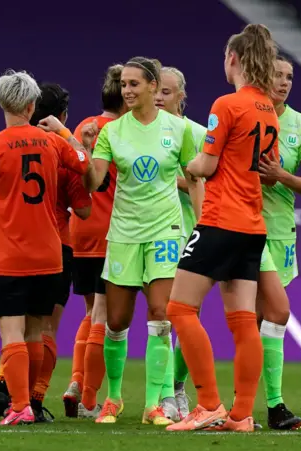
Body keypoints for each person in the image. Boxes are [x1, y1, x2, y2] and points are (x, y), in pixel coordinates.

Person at [166, 23, 279, 433]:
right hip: (252, 225)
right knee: (244, 321)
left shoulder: (226, 104)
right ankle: (242, 415)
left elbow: (208, 165)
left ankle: (209, 404)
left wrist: (193, 165)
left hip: (220, 220)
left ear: (234, 59)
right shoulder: (268, 108)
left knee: (179, 308)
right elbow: (266, 170)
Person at [0, 70, 95, 425]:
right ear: (31, 105)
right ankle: (32, 402)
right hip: (51, 253)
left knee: (12, 332)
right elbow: (84, 164)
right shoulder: (54, 144)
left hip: (11, 255)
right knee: (38, 331)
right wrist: (70, 136)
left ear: (3, 103)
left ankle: (21, 406)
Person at [82, 57, 203, 425]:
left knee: (161, 314)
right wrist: (85, 154)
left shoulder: (177, 129)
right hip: (124, 233)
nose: (128, 91)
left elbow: (194, 177)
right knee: (116, 321)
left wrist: (203, 224)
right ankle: (114, 398)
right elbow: (94, 182)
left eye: (135, 84)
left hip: (165, 231)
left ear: (153, 86)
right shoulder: (112, 131)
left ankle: (153, 403)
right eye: (124, 85)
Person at [251, 54, 301, 429]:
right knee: (259, 315)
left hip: (280, 232)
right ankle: (270, 404)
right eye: (277, 74)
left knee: (263, 317)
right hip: (240, 226)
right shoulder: (245, 113)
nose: (283, 82)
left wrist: (281, 175)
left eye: (289, 76)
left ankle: (247, 405)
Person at [63, 64, 127, 420]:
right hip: (115, 232)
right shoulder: (126, 132)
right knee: (105, 315)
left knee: (90, 312)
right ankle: (89, 399)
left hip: (81, 230)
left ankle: (75, 382)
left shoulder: (83, 126)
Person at [154, 66, 207, 420]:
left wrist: (177, 181)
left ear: (182, 96)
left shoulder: (199, 134)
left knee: (188, 316)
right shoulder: (143, 132)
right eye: (156, 90)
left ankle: (176, 387)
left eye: (167, 92)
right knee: (160, 317)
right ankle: (159, 393)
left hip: (191, 232)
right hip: (155, 233)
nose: (159, 97)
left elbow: (209, 182)